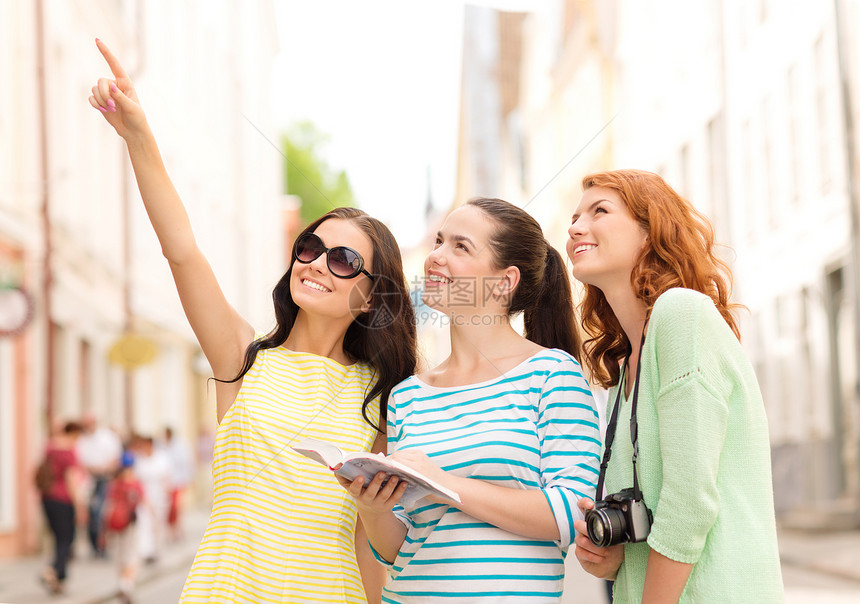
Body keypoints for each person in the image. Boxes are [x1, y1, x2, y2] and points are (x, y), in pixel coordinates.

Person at [90, 39, 417, 603]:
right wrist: (139, 140)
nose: (316, 263)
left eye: (343, 260)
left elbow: (376, 545)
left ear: (368, 298)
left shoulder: (384, 396)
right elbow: (183, 252)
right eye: (311, 246)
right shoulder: (242, 355)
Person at [340, 198, 601, 602]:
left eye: (460, 247)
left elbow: (572, 512)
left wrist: (444, 483)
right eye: (439, 241)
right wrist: (373, 508)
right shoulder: (407, 396)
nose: (436, 257)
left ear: (504, 281)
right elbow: (396, 550)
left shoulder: (552, 374)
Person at [567, 169, 783, 602]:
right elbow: (653, 522)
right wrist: (613, 558)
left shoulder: (681, 314)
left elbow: (689, 505)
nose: (574, 228)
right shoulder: (623, 373)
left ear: (650, 233)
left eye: (599, 211)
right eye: (573, 218)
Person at [37, 420, 86, 595]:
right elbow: (71, 480)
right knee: (67, 539)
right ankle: (52, 571)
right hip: (63, 499)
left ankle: (59, 580)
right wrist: (80, 506)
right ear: (75, 433)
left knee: (58, 538)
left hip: (46, 498)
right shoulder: (69, 452)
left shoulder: (50, 446)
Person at [76, 412, 123, 558]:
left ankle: (103, 545)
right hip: (88, 479)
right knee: (91, 513)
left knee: (103, 513)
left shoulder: (107, 437)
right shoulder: (81, 440)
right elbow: (78, 460)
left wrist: (105, 468)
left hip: (105, 479)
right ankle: (94, 545)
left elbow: (116, 457)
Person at [104, 450, 144, 603]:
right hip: (130, 524)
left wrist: (105, 530)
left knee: (119, 556)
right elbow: (143, 502)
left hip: (115, 525)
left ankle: (122, 583)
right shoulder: (135, 484)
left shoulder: (114, 485)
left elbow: (108, 507)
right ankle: (126, 585)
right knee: (132, 556)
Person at [161, 426, 193, 542]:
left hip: (179, 481)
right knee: (169, 508)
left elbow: (186, 463)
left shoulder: (180, 446)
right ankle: (173, 530)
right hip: (167, 483)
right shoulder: (162, 447)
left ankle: (179, 528)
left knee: (177, 506)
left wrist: (188, 479)